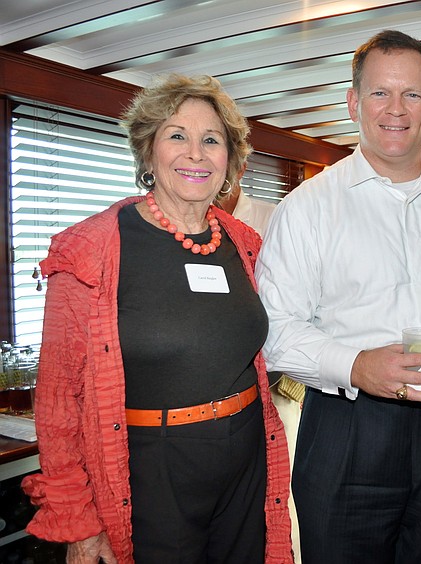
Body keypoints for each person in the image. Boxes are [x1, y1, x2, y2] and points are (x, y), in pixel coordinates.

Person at [21, 74, 292, 564]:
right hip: (152, 469)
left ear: (229, 160)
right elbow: (58, 401)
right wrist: (79, 521)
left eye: (211, 140)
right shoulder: (90, 249)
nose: (196, 153)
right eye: (176, 136)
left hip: (246, 461)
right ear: (148, 153)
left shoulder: (245, 243)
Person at [256, 30, 421, 564]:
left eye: (412, 94)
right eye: (379, 93)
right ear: (353, 102)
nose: (396, 109)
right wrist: (358, 365)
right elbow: (274, 330)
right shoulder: (307, 207)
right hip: (348, 427)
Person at [218, 168, 304, 563]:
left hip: (277, 388)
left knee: (280, 501)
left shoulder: (278, 219)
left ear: (238, 167)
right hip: (213, 401)